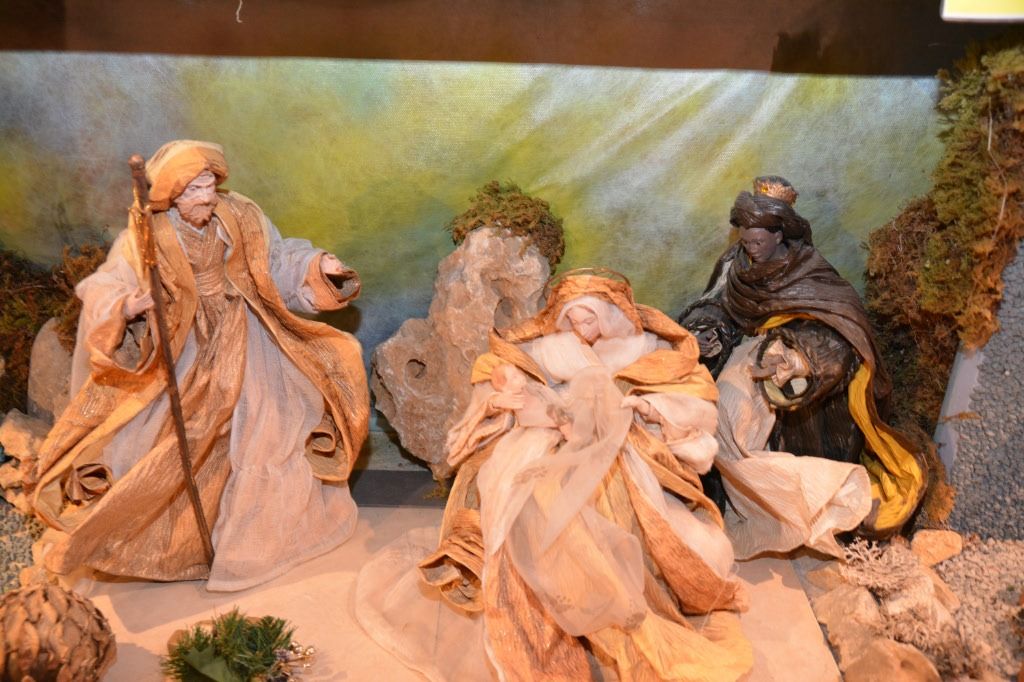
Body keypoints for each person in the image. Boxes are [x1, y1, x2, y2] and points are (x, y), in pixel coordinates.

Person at [356, 270, 753, 682]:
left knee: (611, 498)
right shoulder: (554, 347)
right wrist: (506, 394)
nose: (581, 328)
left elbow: (691, 395)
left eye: (589, 319)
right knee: (523, 491)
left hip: (620, 443)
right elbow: (508, 370)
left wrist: (651, 409)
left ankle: (610, 596)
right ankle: (546, 605)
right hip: (550, 437)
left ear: (612, 314)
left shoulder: (644, 348)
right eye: (573, 319)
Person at [29, 140, 369, 591]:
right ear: (172, 195)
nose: (206, 197)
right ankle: (182, 546)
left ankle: (247, 546)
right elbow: (106, 284)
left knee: (264, 431)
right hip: (184, 343)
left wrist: (315, 264)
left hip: (247, 334)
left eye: (210, 186)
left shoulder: (239, 214)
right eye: (194, 190)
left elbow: (275, 259)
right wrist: (127, 305)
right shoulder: (145, 235)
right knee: (176, 440)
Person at [678, 176, 926, 557]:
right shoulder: (736, 264)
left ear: (780, 234)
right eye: (745, 240)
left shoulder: (808, 270)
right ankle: (749, 503)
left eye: (758, 241)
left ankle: (808, 505)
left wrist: (801, 357)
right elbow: (717, 303)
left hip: (798, 379)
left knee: (774, 434)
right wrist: (709, 332)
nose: (750, 248)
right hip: (750, 357)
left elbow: (842, 326)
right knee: (726, 411)